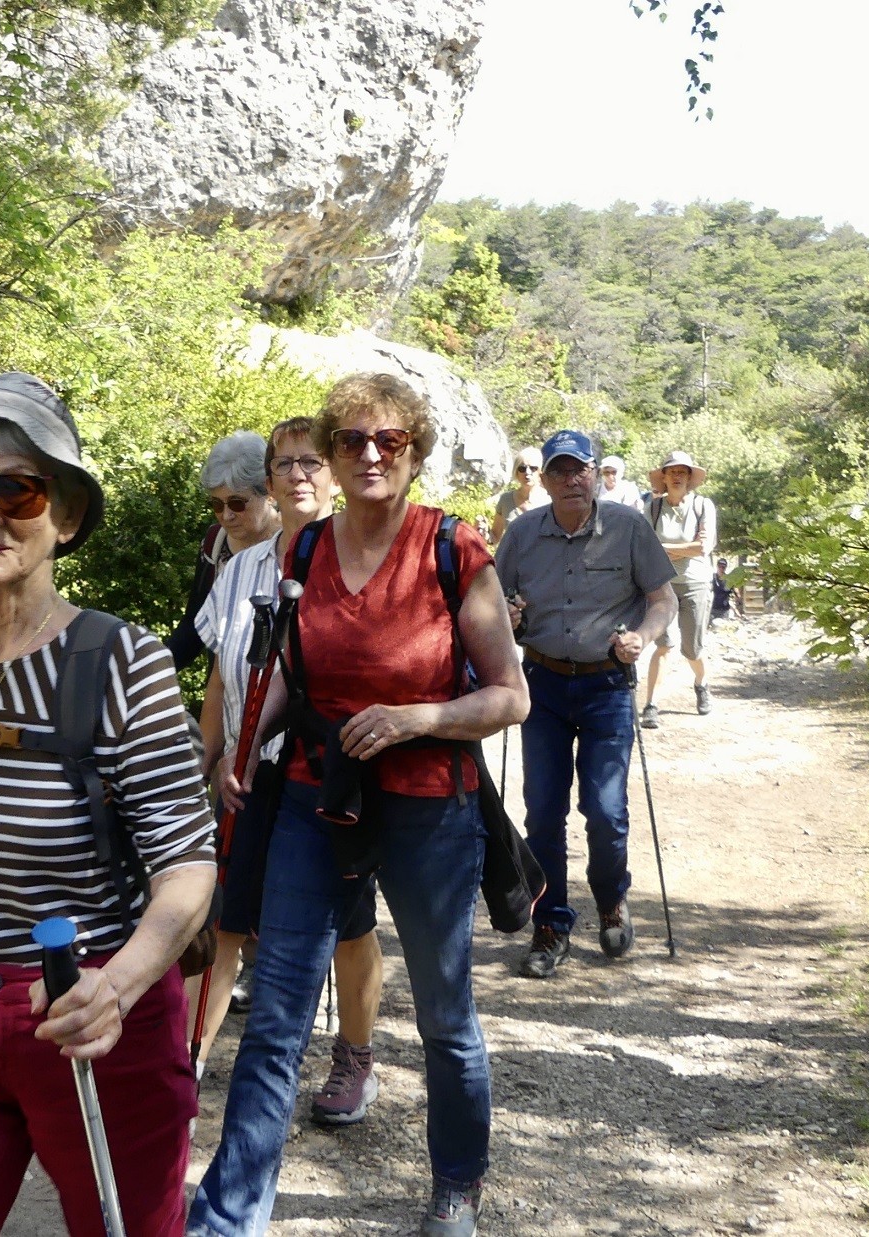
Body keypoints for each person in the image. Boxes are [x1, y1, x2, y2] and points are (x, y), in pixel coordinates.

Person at [0, 372, 216, 1237]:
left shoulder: (120, 662)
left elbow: (187, 859)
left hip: (96, 1007)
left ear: (62, 514)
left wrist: (119, 985)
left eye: (14, 487)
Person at [190, 373, 529, 1237]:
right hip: (315, 793)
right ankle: (230, 1212)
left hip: (429, 803)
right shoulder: (301, 553)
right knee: (276, 1013)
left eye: (390, 441)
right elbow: (285, 680)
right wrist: (243, 745)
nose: (370, 454)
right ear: (332, 455)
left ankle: (456, 1183)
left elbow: (508, 697)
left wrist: (421, 716)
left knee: (446, 1010)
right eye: (352, 441)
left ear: (413, 452)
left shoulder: (453, 548)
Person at [191, 416, 388, 1127]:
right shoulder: (239, 567)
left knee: (347, 923)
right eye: (284, 466)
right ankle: (188, 1064)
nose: (298, 476)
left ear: (332, 476)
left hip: (330, 773)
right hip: (248, 774)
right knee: (225, 919)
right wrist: (206, 762)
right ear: (270, 479)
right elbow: (221, 677)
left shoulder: (363, 560)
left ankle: (355, 1054)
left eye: (311, 463)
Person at [495, 430, 676, 982]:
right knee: (542, 811)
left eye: (581, 469)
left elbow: (662, 598)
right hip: (543, 685)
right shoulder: (523, 534)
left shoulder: (629, 527)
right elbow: (490, 608)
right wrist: (510, 618)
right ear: (544, 480)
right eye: (560, 470)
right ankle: (551, 924)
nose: (572, 479)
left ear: (595, 474)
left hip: (607, 687)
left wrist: (642, 638)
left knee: (605, 809)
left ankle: (611, 899)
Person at [165, 430, 283, 668]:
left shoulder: (290, 544)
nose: (226, 515)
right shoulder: (214, 544)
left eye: (237, 503)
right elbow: (194, 627)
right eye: (217, 504)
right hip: (222, 690)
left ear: (268, 493)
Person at [641, 450, 719, 726]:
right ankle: (651, 705)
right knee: (662, 645)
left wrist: (664, 549)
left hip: (696, 583)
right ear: (663, 477)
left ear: (689, 477)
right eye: (672, 471)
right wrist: (680, 550)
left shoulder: (702, 506)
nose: (677, 476)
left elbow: (703, 547)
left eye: (682, 472)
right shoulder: (652, 508)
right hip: (662, 586)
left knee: (692, 649)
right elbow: (643, 547)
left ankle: (702, 684)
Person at [488, 445, 549, 544]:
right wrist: (482, 533)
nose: (527, 473)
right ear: (516, 472)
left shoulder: (549, 501)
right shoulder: (505, 500)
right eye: (522, 468)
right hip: (512, 558)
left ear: (540, 472)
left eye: (533, 468)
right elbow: (494, 538)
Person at [710, 557, 736, 627]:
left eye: (723, 567)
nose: (721, 568)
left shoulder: (729, 580)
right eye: (720, 566)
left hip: (724, 610)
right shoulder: (712, 578)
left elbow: (736, 593)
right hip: (712, 609)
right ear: (717, 566)